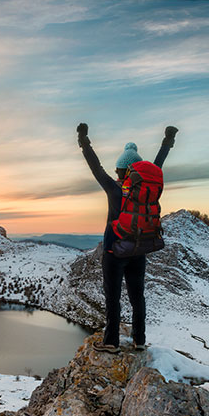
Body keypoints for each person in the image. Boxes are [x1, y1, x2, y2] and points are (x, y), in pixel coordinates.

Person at [77, 123, 178, 354]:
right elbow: (157, 165)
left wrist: (83, 140)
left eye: (117, 170)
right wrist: (168, 141)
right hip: (139, 250)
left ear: (122, 171)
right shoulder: (146, 189)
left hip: (114, 251)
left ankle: (111, 341)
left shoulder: (114, 189)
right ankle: (139, 339)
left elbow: (95, 167)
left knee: (113, 298)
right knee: (137, 297)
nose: (115, 173)